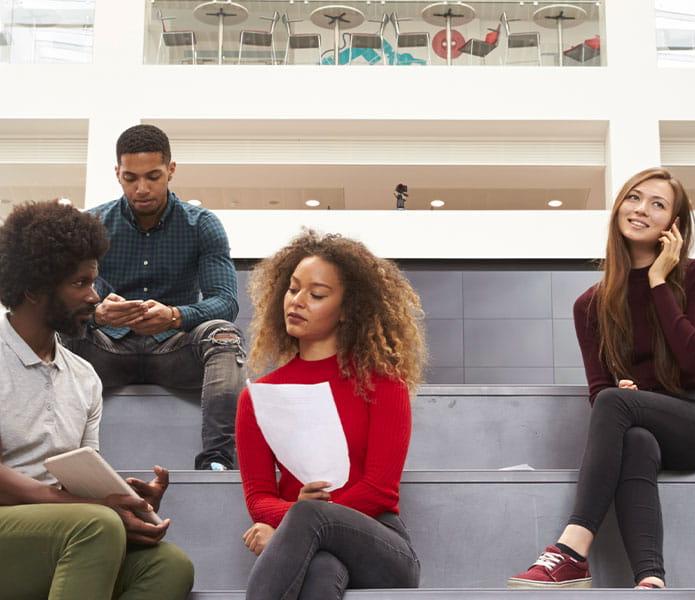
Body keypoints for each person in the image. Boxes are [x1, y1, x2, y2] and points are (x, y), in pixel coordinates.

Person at [508, 167, 695, 590]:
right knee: (634, 437)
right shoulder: (589, 305)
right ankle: (650, 577)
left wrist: (659, 282)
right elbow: (599, 391)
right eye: (634, 197)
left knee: (616, 403)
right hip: (640, 426)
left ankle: (571, 549)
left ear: (674, 226)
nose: (641, 209)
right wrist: (627, 394)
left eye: (657, 204)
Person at [0, 201, 194, 599]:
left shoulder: (84, 377)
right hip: (16, 526)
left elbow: (79, 477)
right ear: (33, 289)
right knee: (97, 525)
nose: (95, 297)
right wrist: (96, 509)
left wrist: (123, 498)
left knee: (169, 566)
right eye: (80, 283)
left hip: (60, 527)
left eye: (94, 281)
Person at [235, 230, 425, 599]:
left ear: (346, 309)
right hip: (307, 550)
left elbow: (379, 491)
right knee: (321, 569)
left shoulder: (384, 384)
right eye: (293, 289)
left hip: (381, 543)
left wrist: (296, 520)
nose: (298, 301)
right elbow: (258, 497)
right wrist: (299, 523)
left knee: (309, 518)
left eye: (317, 294)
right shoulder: (256, 398)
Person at [63, 124, 246, 471]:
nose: (141, 188)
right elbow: (66, 301)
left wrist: (176, 316)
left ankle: (217, 461)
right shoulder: (91, 224)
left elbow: (225, 301)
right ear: (117, 172)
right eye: (130, 178)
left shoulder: (202, 225)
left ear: (171, 170)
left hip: (173, 351)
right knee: (54, 333)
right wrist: (97, 313)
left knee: (224, 334)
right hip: (107, 351)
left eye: (153, 176)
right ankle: (60, 458)